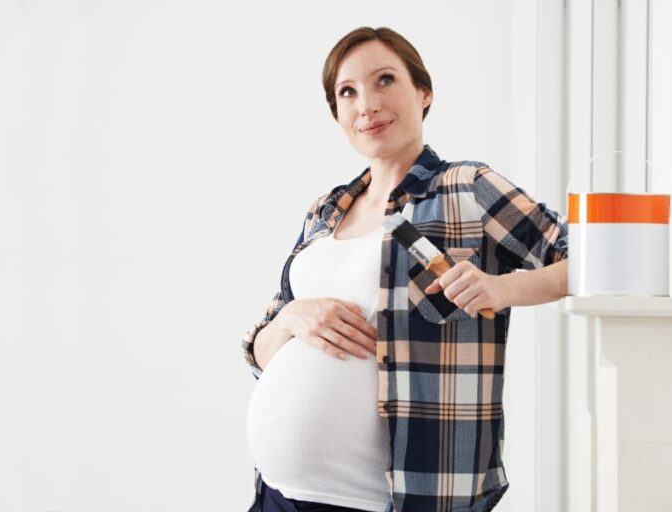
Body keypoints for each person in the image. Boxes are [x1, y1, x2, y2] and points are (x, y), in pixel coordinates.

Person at [242, 26, 569, 512]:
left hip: (393, 501)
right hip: (276, 497)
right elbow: (262, 352)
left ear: (423, 92)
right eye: (347, 92)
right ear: (337, 115)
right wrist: (291, 319)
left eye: (385, 80)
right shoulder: (324, 212)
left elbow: (587, 261)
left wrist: (501, 288)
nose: (366, 104)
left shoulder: (468, 188)